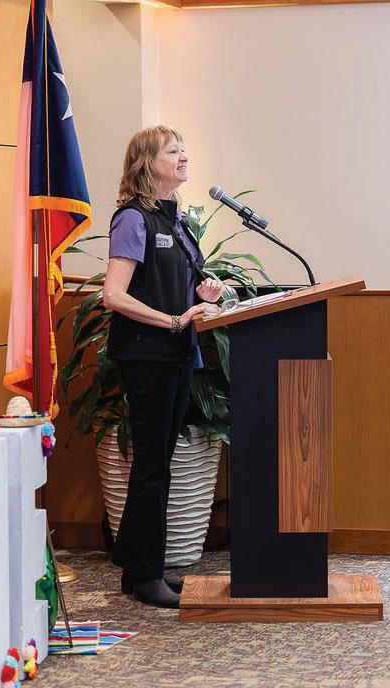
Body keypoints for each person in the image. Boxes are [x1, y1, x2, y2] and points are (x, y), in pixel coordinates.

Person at [103, 125, 224, 608]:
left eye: (183, 149)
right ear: (146, 163)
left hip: (175, 354)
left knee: (158, 464)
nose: (183, 156)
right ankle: (147, 576)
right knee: (152, 467)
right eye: (173, 151)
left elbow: (176, 284)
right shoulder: (133, 219)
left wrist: (204, 292)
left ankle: (137, 569)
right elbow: (114, 295)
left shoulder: (176, 221)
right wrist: (174, 320)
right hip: (147, 355)